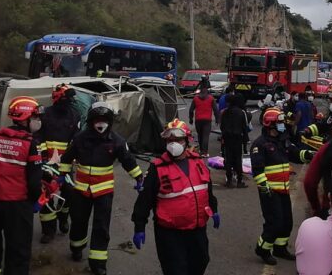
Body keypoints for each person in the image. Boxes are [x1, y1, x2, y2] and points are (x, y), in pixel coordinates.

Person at [59, 102, 143, 275]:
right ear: (90, 121)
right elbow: (67, 158)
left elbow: (128, 161)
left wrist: (139, 177)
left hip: (104, 192)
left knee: (101, 227)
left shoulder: (117, 141)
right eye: (97, 119)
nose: (100, 123)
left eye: (104, 119)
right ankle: (76, 247)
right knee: (78, 222)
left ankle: (98, 263)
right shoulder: (80, 138)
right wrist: (63, 177)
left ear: (110, 121)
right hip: (81, 190)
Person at [132, 119, 219, 275]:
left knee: (201, 261)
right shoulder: (157, 168)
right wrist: (139, 226)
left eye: (178, 140)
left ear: (186, 141)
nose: (174, 144)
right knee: (176, 269)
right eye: (170, 140)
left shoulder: (197, 162)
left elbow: (207, 188)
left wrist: (214, 208)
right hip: (170, 234)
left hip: (197, 229)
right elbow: (145, 200)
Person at [0, 96, 43, 275]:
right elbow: (34, 182)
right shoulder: (30, 145)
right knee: (18, 252)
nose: (39, 121)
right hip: (17, 206)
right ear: (26, 118)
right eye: (36, 117)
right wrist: (33, 202)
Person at [251, 107, 315, 265]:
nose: (282, 125)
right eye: (279, 123)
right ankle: (263, 249)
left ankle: (280, 248)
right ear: (270, 125)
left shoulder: (282, 140)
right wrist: (265, 188)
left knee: (287, 222)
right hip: (270, 191)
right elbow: (257, 170)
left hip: (284, 189)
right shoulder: (260, 144)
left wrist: (306, 155)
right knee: (275, 222)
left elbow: (294, 153)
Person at [37, 84, 81, 243]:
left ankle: (63, 216)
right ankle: (48, 231)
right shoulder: (44, 114)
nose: (71, 102)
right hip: (46, 163)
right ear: (59, 98)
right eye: (68, 98)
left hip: (66, 164)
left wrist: (72, 158)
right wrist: (43, 159)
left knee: (70, 192)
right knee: (45, 194)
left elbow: (76, 139)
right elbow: (38, 137)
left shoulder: (75, 115)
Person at [220, 94, 250, 188]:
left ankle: (229, 181)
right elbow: (245, 127)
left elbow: (222, 126)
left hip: (227, 138)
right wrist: (245, 142)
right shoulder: (241, 112)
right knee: (238, 159)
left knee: (228, 159)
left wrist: (224, 137)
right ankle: (239, 181)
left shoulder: (225, 112)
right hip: (238, 138)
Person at [188, 85, 220, 157]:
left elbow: (191, 110)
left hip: (198, 120)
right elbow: (216, 110)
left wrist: (191, 119)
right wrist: (217, 119)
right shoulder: (211, 99)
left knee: (200, 135)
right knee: (205, 136)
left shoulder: (195, 98)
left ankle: (201, 150)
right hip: (207, 120)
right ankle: (204, 152)